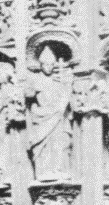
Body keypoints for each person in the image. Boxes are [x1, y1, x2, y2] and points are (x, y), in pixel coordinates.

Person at [26, 45, 73, 181]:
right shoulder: (36, 80)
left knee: (59, 143)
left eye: (51, 64)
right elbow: (28, 95)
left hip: (57, 117)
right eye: (46, 64)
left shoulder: (57, 81)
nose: (49, 67)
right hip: (42, 117)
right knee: (44, 146)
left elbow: (64, 102)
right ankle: (43, 172)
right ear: (41, 65)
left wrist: (67, 85)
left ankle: (58, 169)